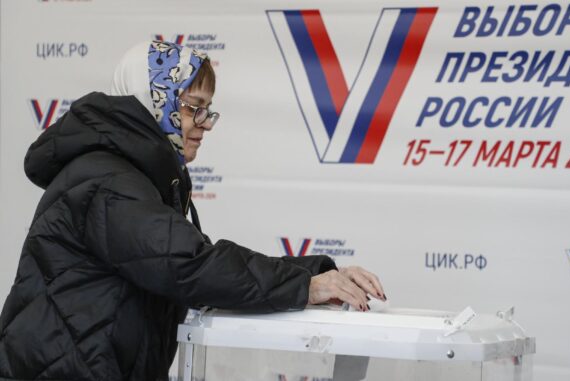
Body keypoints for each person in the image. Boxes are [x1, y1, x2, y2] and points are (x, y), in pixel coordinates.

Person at [0, 41, 385, 381]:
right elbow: (189, 266)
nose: (204, 124)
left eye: (207, 110)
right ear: (154, 99)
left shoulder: (131, 176)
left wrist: (315, 273)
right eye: (192, 108)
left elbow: (193, 263)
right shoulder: (108, 180)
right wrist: (305, 287)